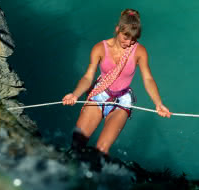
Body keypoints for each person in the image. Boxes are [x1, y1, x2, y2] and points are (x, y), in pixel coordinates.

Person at [62, 8, 171, 155]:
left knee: (100, 151)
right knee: (76, 144)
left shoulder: (139, 51)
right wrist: (75, 94)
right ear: (117, 29)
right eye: (126, 37)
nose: (130, 42)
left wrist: (158, 103)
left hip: (122, 101)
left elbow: (148, 78)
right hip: (100, 93)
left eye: (134, 38)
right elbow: (88, 77)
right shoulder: (100, 48)